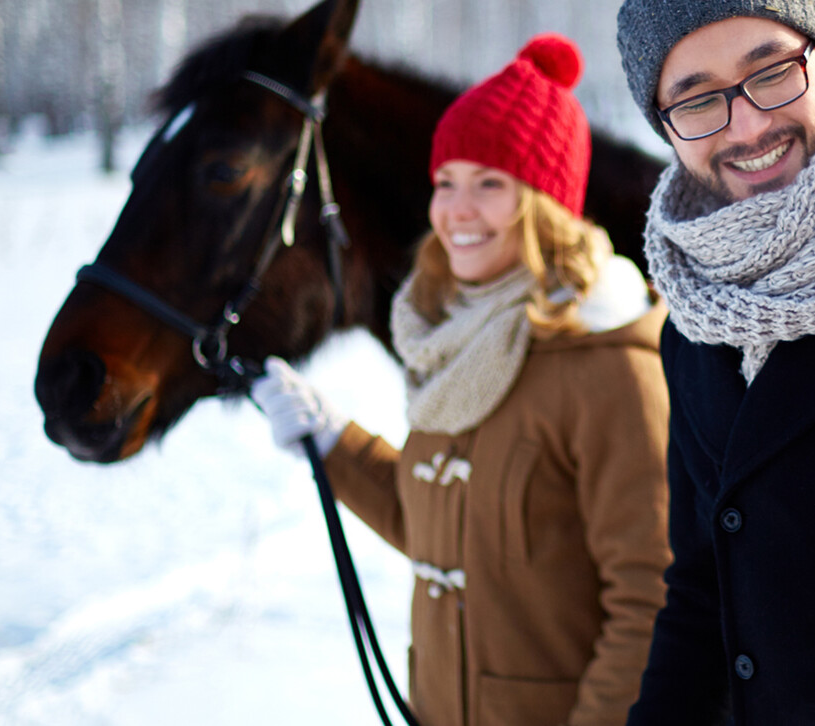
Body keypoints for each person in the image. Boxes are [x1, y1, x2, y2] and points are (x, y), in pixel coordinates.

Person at [249, 33, 672, 726]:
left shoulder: (609, 367)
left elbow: (649, 603)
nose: (456, 210)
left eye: (489, 184)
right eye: (446, 182)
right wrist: (333, 443)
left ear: (544, 203)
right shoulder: (455, 341)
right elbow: (444, 531)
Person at [614, 1, 815, 723]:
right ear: (663, 126)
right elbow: (702, 589)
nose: (746, 126)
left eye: (771, 73)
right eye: (698, 100)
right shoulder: (694, 319)